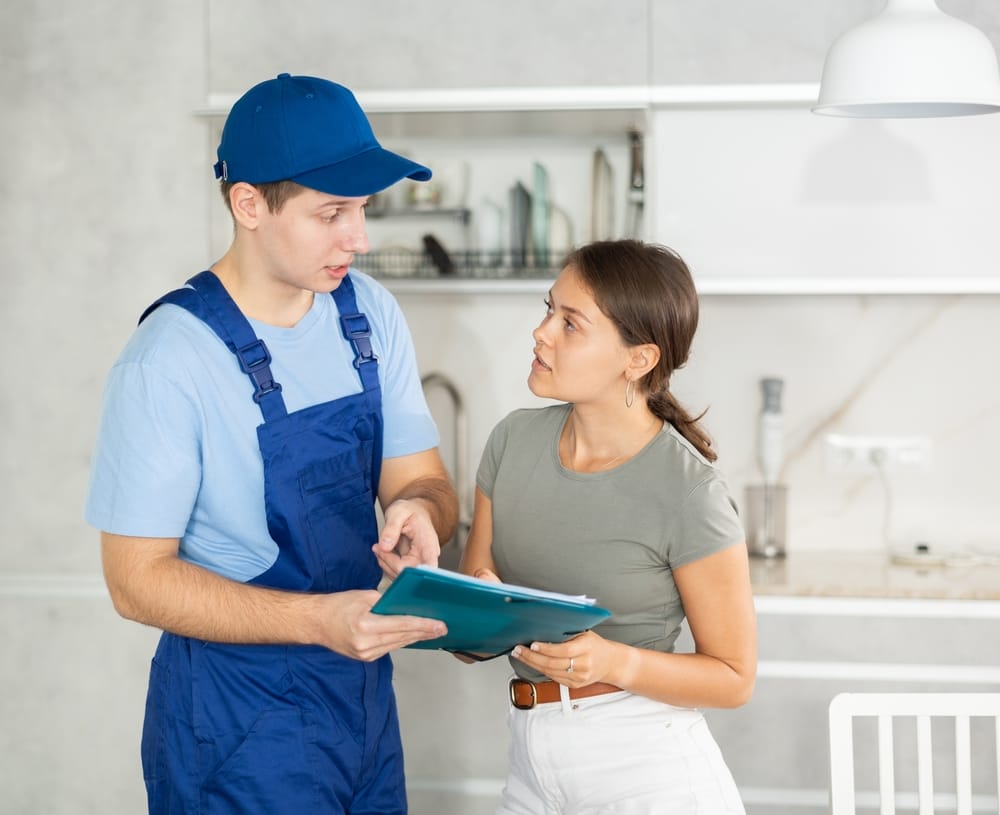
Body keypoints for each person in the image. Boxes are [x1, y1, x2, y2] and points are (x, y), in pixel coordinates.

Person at [85, 73, 458, 815]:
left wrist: (420, 510)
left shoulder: (368, 314)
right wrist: (316, 621)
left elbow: (425, 481)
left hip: (361, 707)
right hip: (235, 725)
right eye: (331, 213)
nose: (360, 237)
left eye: (361, 209)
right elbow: (135, 581)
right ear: (248, 203)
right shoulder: (168, 360)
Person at [460, 239, 757, 814]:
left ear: (638, 359)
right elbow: (476, 638)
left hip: (644, 767)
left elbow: (733, 677)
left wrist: (613, 661)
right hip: (529, 760)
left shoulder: (688, 491)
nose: (541, 332)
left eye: (570, 323)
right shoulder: (511, 443)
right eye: (549, 309)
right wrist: (447, 601)